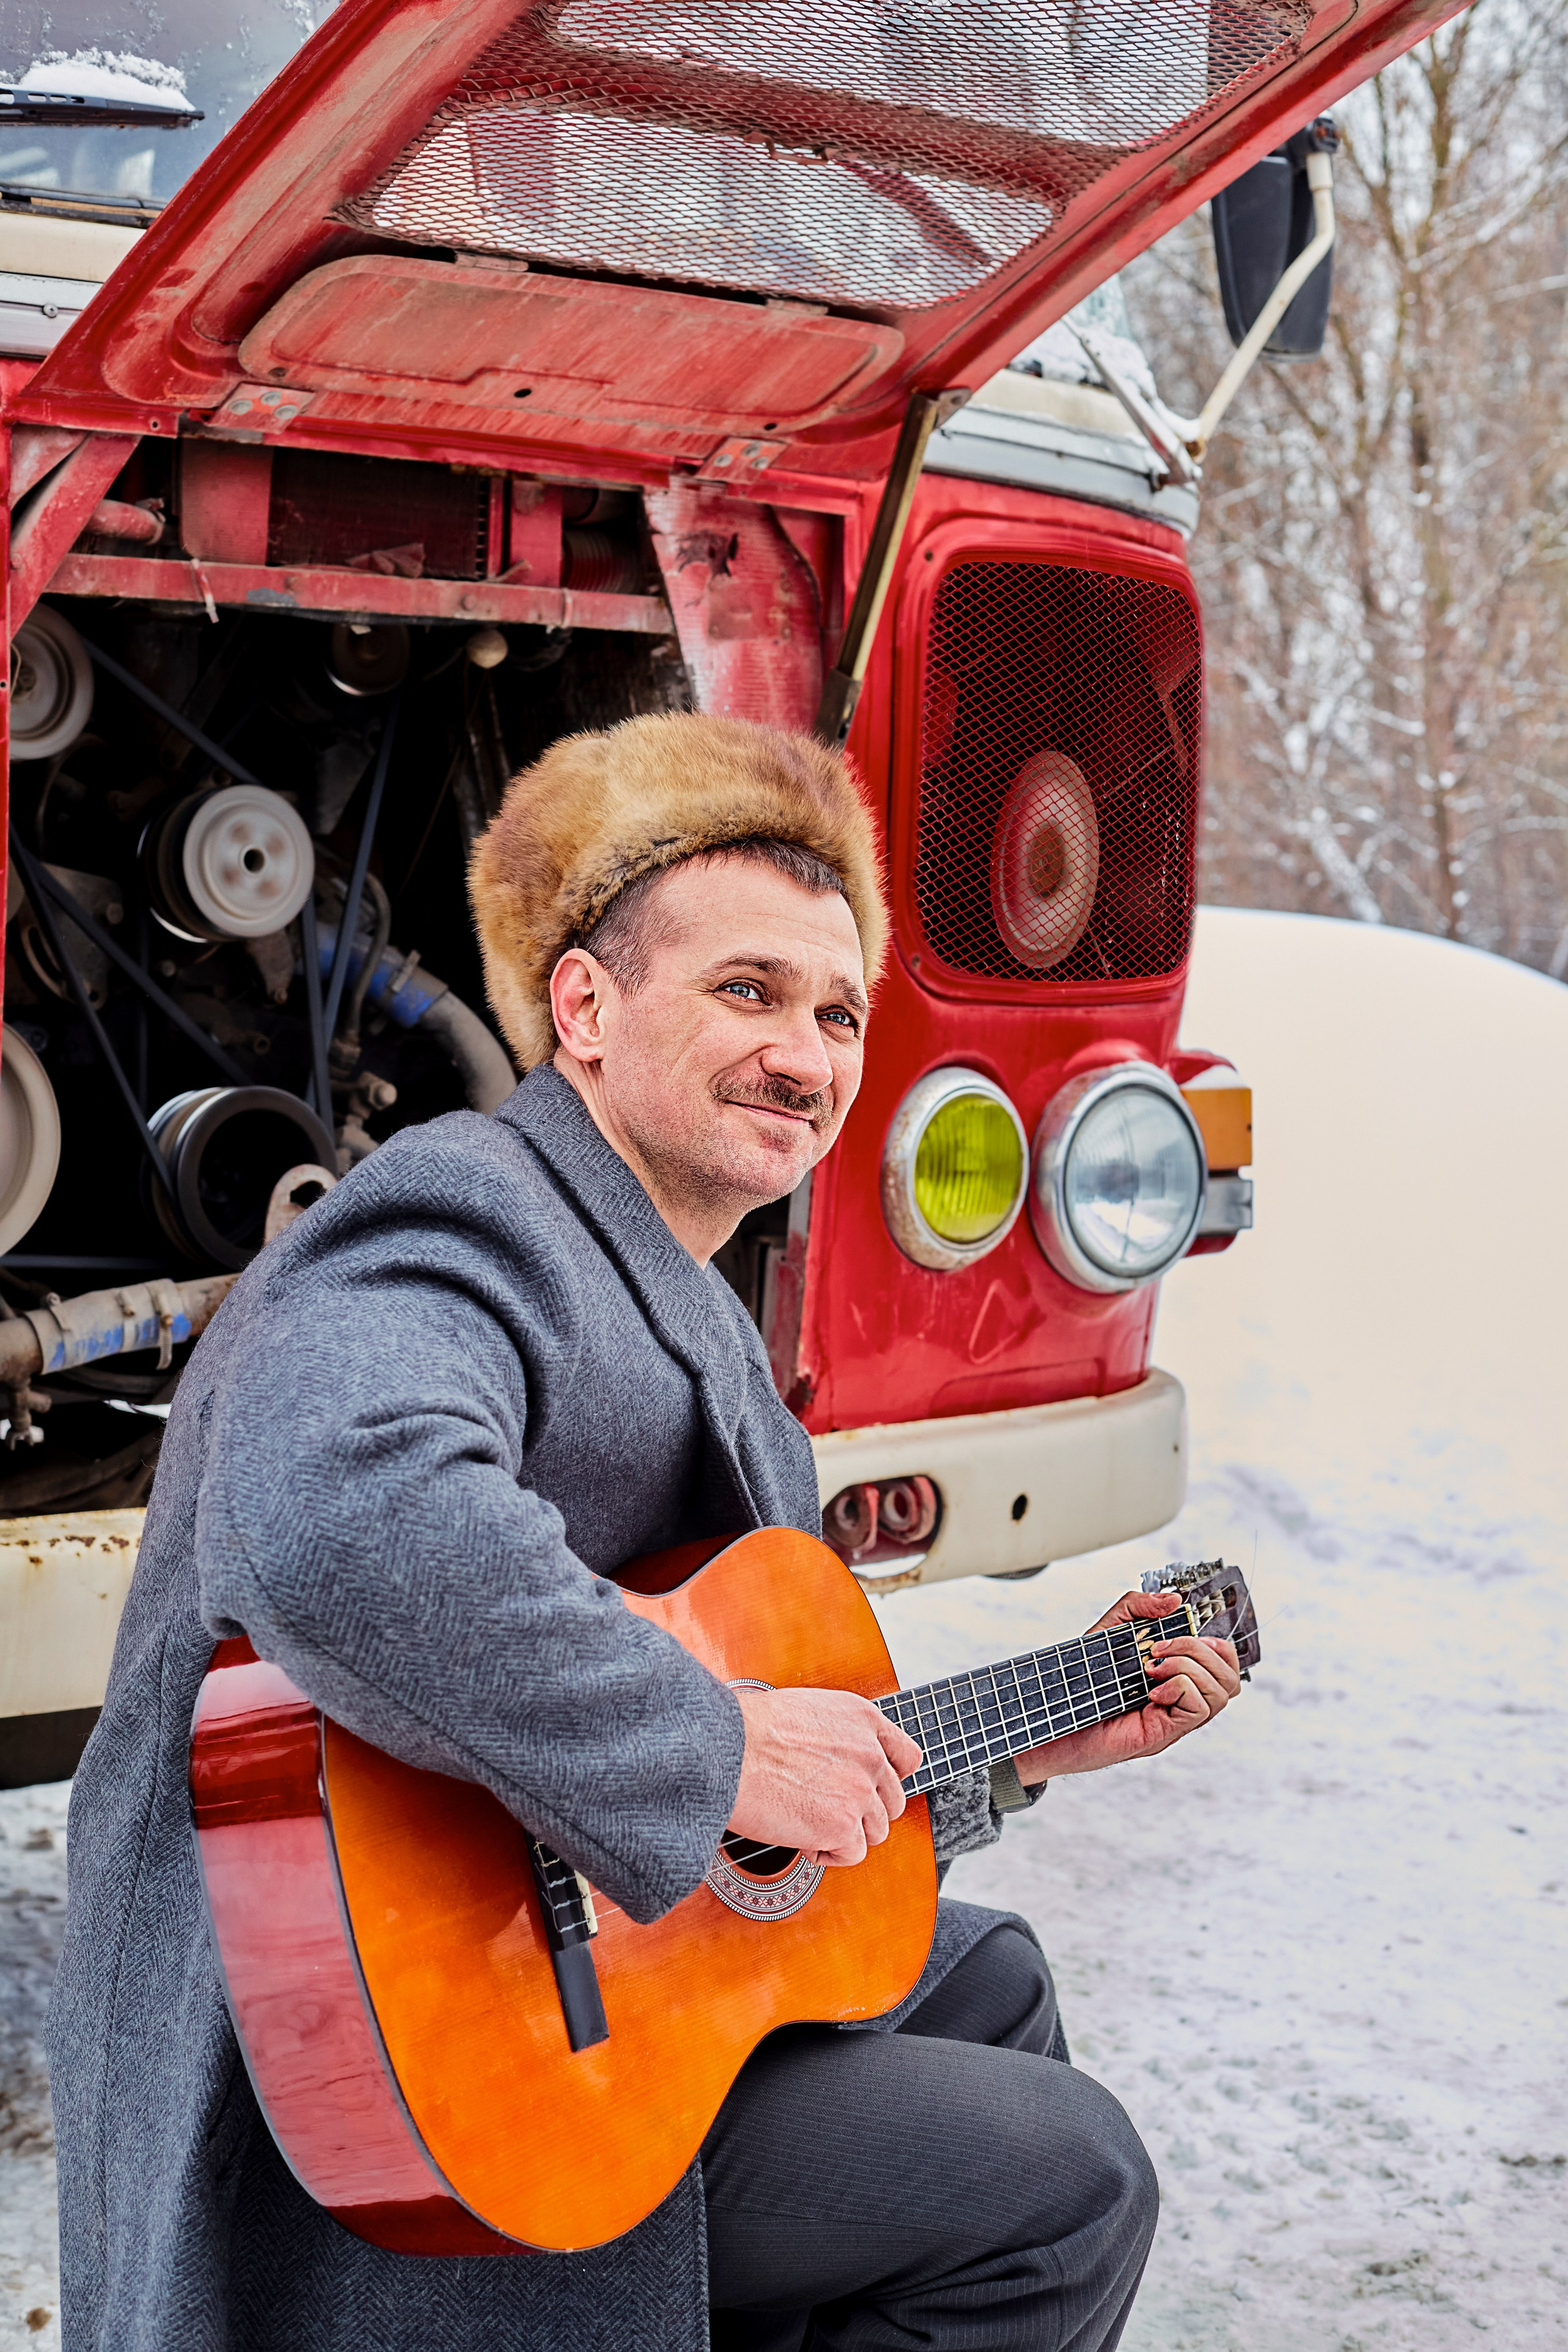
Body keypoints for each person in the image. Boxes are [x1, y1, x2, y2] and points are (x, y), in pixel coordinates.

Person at [48, 712, 1240, 2352]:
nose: (809, 1056)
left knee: (990, 1978)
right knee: (1069, 2187)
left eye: (838, 1012)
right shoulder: (459, 1211)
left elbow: (755, 1806)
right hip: (363, 2058)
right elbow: (338, 1522)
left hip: (582, 1981)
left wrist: (1026, 1753)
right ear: (585, 1007)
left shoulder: (703, 1325)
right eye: (746, 991)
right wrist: (709, 1744)